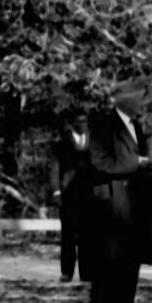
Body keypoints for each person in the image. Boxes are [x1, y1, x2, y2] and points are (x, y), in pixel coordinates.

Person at [82, 81, 152, 303]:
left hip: (136, 200)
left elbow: (145, 159)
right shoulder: (103, 126)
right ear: (124, 100)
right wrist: (134, 164)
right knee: (108, 257)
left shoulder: (137, 126)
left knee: (132, 257)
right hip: (113, 200)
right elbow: (99, 162)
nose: (141, 102)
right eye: (137, 97)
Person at [52, 111, 92, 284]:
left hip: (89, 197)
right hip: (68, 196)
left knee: (88, 236)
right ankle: (67, 271)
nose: (82, 124)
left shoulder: (94, 144)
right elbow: (55, 169)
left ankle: (87, 272)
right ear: (73, 124)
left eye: (85, 121)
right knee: (68, 236)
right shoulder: (62, 145)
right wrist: (56, 190)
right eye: (79, 121)